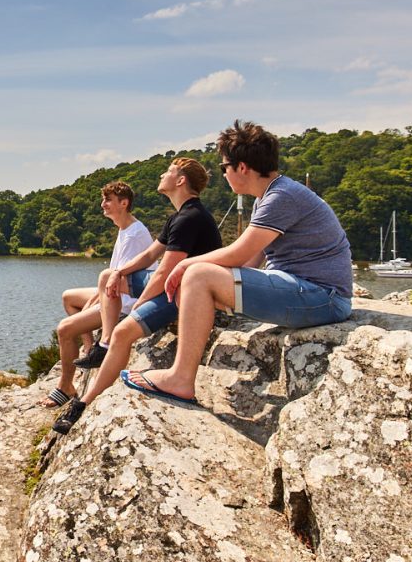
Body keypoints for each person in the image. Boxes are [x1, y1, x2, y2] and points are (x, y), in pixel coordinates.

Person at [124, 121, 353, 404]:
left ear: (241, 167)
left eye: (224, 168)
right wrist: (214, 291)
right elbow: (253, 262)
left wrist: (185, 268)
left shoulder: (281, 197)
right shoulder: (268, 197)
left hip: (323, 297)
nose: (223, 175)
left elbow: (240, 254)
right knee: (200, 277)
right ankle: (181, 372)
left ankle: (180, 379)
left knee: (197, 275)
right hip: (307, 292)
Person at [53, 157, 221, 433]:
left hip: (183, 297)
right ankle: (103, 345)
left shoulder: (191, 217)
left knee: (124, 333)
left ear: (180, 181)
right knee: (108, 276)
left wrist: (139, 306)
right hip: (173, 286)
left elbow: (164, 271)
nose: (162, 175)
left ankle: (83, 402)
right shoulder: (178, 216)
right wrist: (120, 273)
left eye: (169, 171)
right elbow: (149, 256)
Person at [40, 181, 153, 407]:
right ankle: (89, 347)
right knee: (68, 298)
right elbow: (110, 277)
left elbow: (117, 280)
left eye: (108, 200)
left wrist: (95, 303)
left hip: (124, 302)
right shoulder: (125, 229)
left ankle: (65, 387)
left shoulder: (134, 235)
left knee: (64, 329)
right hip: (114, 291)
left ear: (124, 203)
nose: (103, 205)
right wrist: (94, 301)